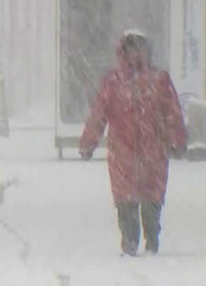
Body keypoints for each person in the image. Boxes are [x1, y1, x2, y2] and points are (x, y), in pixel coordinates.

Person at [79, 31, 187, 256]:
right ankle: (131, 240)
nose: (136, 55)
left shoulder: (149, 81)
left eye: (139, 49)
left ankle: (148, 238)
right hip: (134, 153)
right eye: (132, 49)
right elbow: (99, 114)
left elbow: (172, 114)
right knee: (129, 199)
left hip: (141, 153)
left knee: (148, 198)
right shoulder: (124, 82)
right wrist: (88, 141)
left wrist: (177, 139)